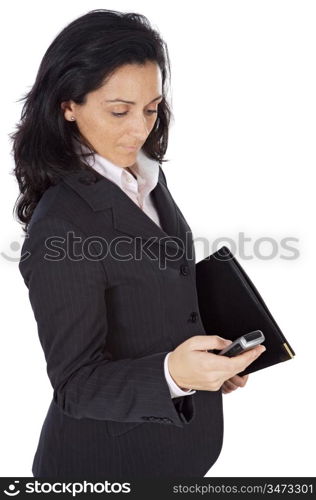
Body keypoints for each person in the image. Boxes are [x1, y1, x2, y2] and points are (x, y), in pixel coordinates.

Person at [11, 9, 266, 478]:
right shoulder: (60, 228)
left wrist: (208, 365)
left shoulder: (143, 175)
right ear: (68, 105)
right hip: (104, 467)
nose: (140, 129)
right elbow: (75, 386)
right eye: (118, 111)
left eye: (151, 108)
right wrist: (173, 375)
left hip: (184, 448)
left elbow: (155, 289)